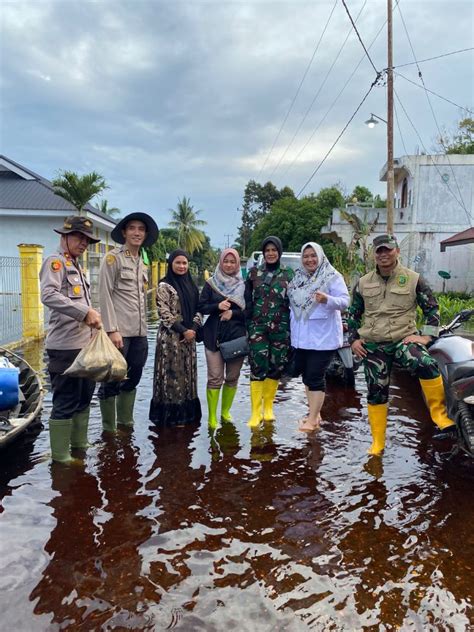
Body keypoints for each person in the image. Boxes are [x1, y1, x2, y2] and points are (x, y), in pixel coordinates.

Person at [347, 233, 456, 456]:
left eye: (387, 249)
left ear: (396, 251)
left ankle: (439, 414)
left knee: (425, 363)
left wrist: (426, 338)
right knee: (376, 391)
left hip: (403, 340)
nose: (384, 254)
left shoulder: (413, 278)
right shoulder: (363, 283)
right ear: (374, 255)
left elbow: (432, 310)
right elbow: (353, 314)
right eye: (379, 251)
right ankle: (378, 442)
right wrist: (353, 339)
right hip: (374, 344)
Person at [40, 215, 102, 463]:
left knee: (84, 396)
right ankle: (60, 456)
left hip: (84, 346)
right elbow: (48, 295)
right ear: (64, 236)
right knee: (65, 400)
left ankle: (79, 444)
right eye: (78, 237)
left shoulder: (76, 265)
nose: (83, 243)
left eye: (86, 239)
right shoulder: (55, 263)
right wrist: (84, 312)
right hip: (64, 347)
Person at [98, 212, 159, 432]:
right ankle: (109, 429)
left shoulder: (142, 262)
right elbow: (104, 294)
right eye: (132, 228)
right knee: (112, 378)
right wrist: (111, 330)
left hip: (140, 331)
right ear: (124, 232)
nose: (136, 232)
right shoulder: (113, 259)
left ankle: (125, 422)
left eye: (141, 229)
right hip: (119, 332)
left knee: (134, 375)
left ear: (145, 234)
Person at [288, 242, 350, 431]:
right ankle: (314, 413)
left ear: (320, 256)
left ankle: (313, 419)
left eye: (313, 255)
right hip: (302, 339)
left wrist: (328, 300)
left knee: (315, 377)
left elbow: (345, 301)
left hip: (323, 339)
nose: (309, 260)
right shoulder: (298, 278)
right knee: (307, 376)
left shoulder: (331, 276)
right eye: (306, 256)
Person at [149, 250, 203, 426]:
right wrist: (183, 330)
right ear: (171, 264)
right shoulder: (164, 286)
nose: (181, 266)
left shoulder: (192, 286)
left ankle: (187, 416)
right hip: (170, 340)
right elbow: (164, 313)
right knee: (172, 376)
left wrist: (193, 329)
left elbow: (199, 309)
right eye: (178, 263)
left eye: (185, 263)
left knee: (187, 375)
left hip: (189, 338)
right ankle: (170, 418)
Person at [245, 236, 294, 426]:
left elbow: (295, 302)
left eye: (274, 250)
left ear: (279, 252)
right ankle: (255, 412)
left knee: (276, 366)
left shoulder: (289, 274)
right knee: (257, 366)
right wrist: (248, 324)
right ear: (264, 254)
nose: (271, 253)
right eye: (267, 251)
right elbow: (247, 300)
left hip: (281, 329)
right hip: (258, 328)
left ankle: (268, 408)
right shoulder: (253, 273)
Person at [198, 248, 246, 427]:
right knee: (215, 377)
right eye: (226, 261)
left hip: (236, 338)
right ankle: (212, 417)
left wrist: (233, 313)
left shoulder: (244, 285)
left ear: (237, 264)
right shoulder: (211, 283)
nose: (229, 265)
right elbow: (201, 307)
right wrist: (217, 306)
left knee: (232, 377)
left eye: (232, 262)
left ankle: (225, 412)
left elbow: (249, 311)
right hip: (213, 337)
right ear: (220, 262)